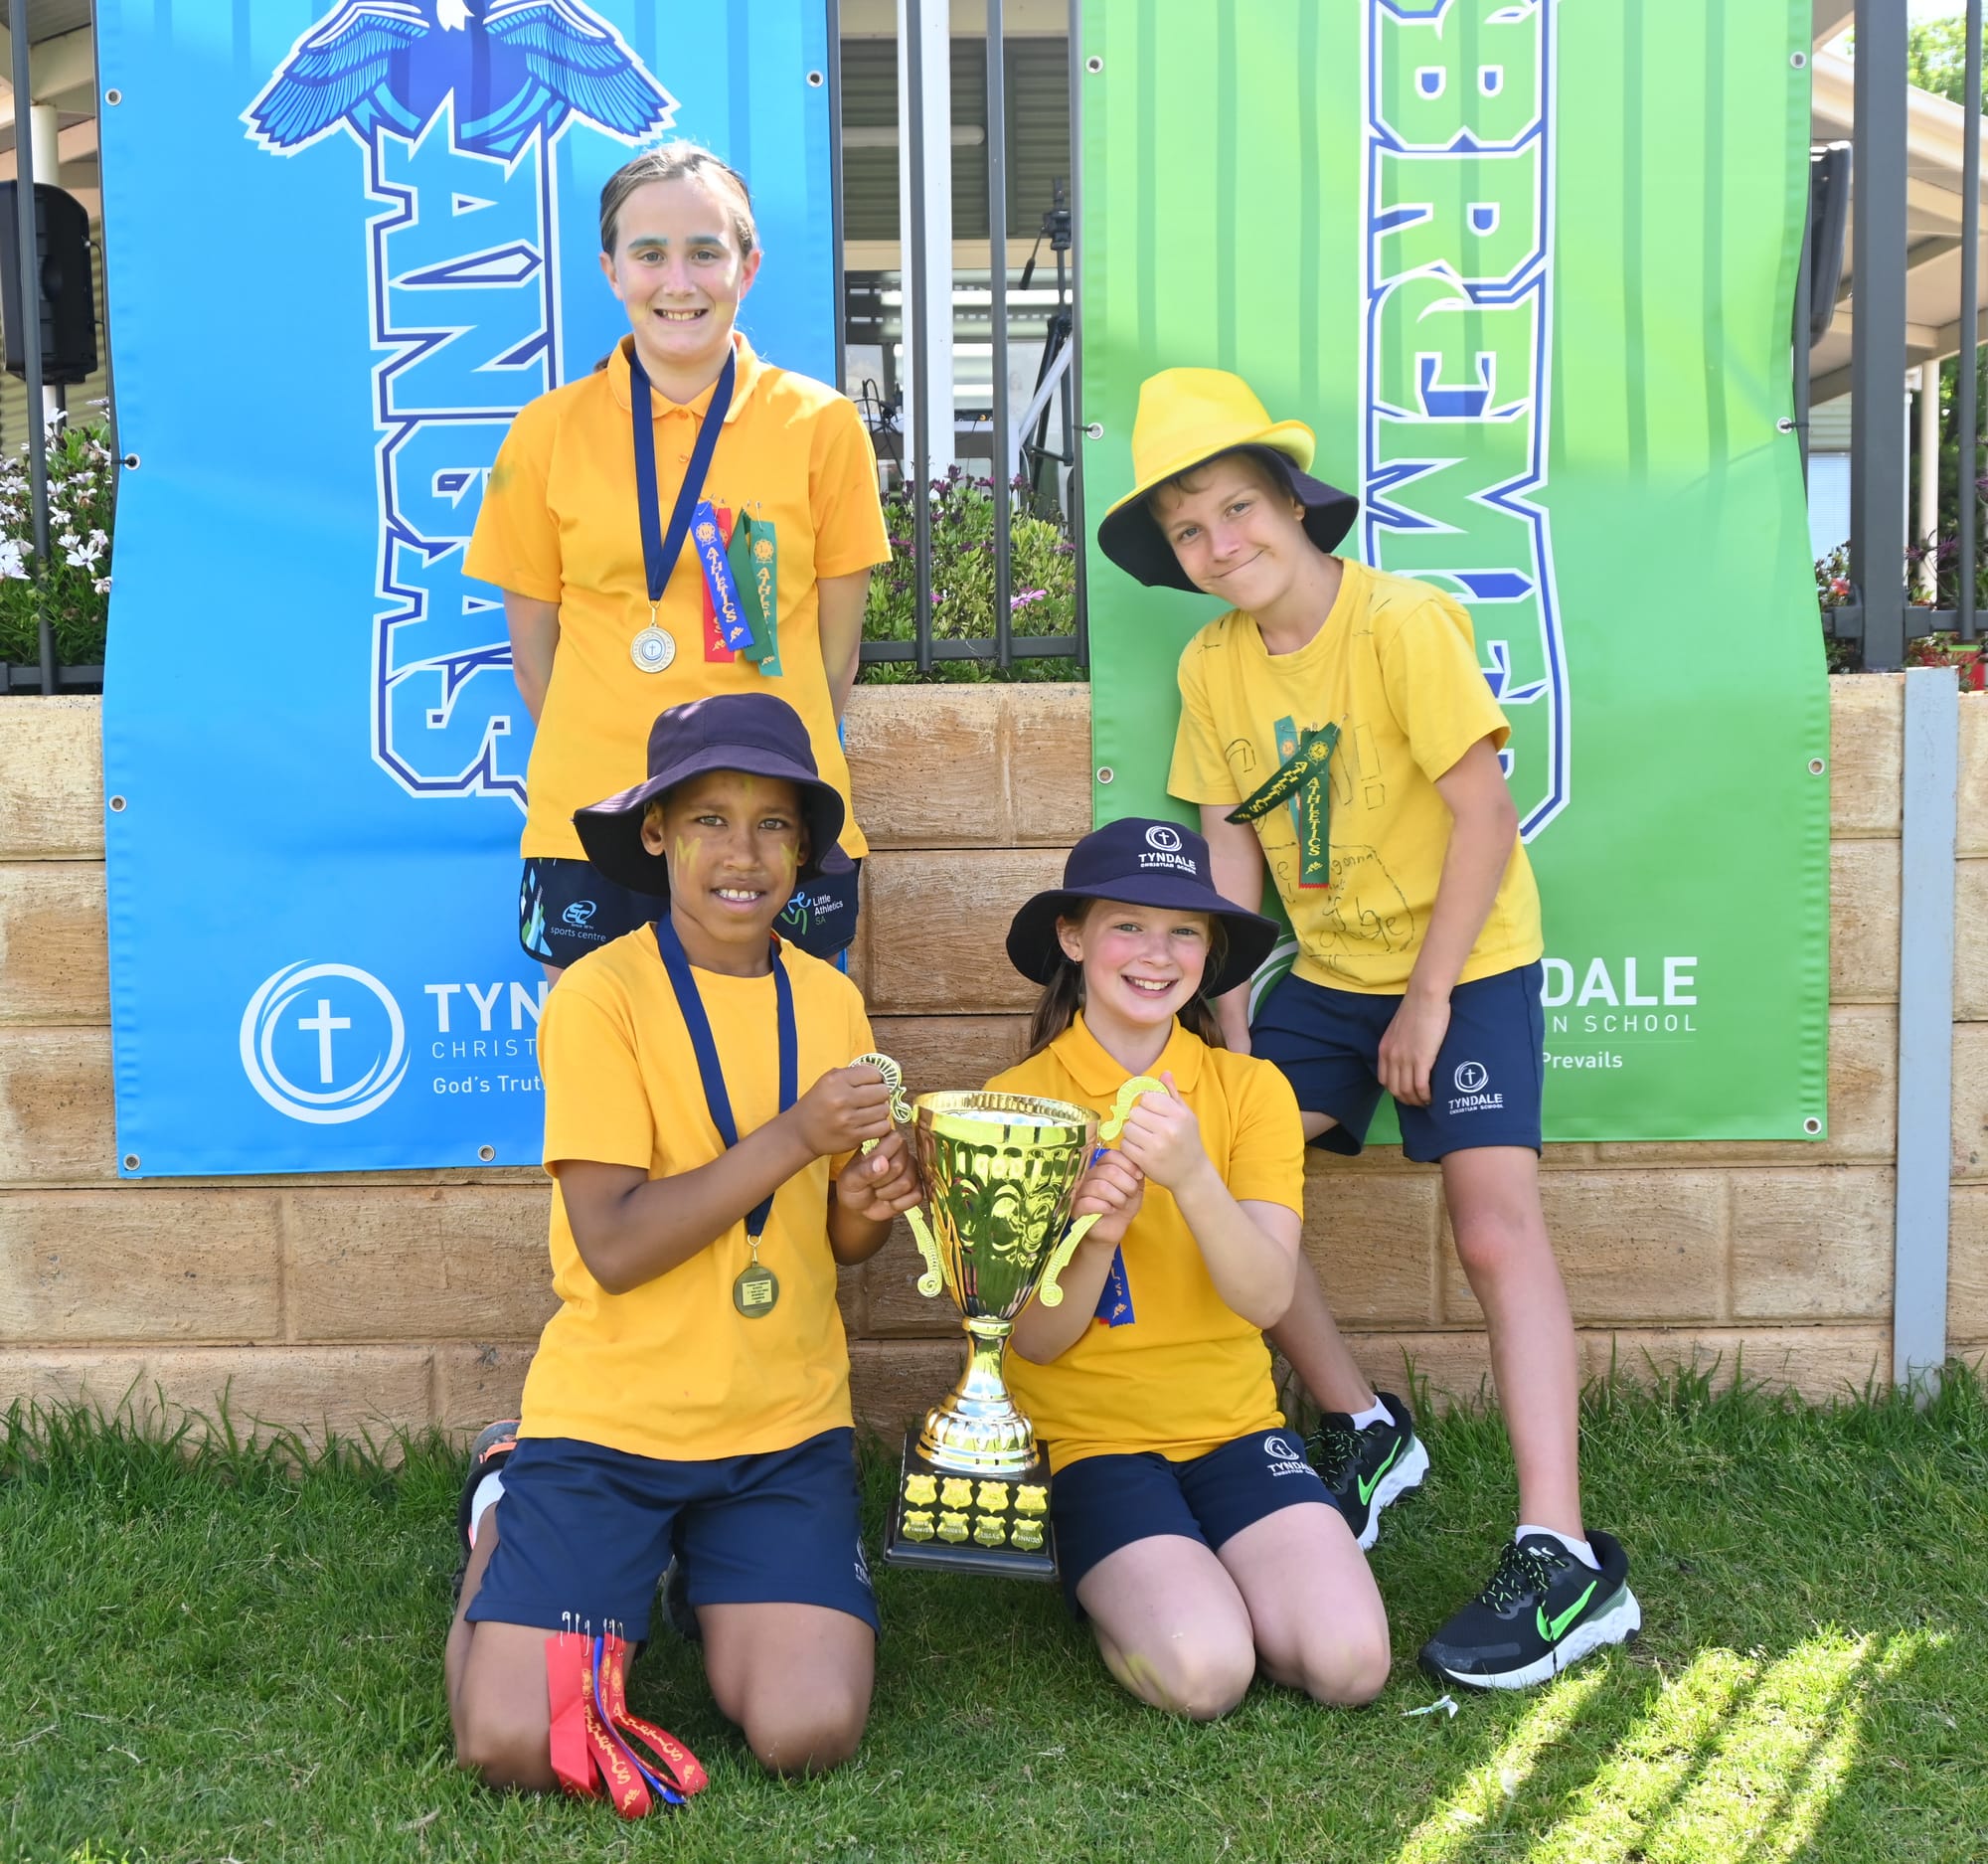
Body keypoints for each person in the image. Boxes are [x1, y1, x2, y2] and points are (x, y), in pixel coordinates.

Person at [1096, 367, 1640, 1691]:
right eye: (1190, 529)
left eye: (1240, 507)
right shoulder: (1209, 661)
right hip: (1327, 970)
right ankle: (1360, 1421)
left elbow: (1483, 815)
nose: (1223, 542)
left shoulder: (1401, 621)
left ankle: (1561, 1549)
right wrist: (1223, 1022)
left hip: (1471, 958)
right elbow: (1227, 846)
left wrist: (1433, 995)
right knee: (1221, 1180)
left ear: (1295, 504)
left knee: (1493, 1222)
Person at [446, 693, 921, 1790]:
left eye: (771, 825)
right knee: (512, 1745)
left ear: (802, 847)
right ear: (656, 833)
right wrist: (799, 1132)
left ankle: (705, 1573)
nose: (741, 854)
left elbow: (841, 1245)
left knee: (807, 1730)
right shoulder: (599, 998)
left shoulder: (829, 1000)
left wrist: (870, 1193)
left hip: (780, 1424)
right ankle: (502, 1506)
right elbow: (610, 1245)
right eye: (708, 820)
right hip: (614, 1425)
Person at [991, 819, 1391, 1719]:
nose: (1154, 953)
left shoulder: (1251, 1091)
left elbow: (1265, 1294)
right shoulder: (1015, 1103)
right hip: (1093, 1444)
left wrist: (1194, 1176)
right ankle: (1116, 1581)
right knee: (1208, 1675)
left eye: (1184, 931)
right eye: (1127, 924)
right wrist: (1094, 1234)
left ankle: (1198, 1573)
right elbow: (1035, 1344)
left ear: (1210, 955)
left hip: (1235, 1430)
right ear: (1074, 937)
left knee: (1351, 1665)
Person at [466, 143, 890, 974]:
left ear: (748, 266)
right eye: (649, 254)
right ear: (612, 269)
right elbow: (535, 661)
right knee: (605, 1086)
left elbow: (833, 659)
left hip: (775, 821)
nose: (679, 281)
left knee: (793, 1077)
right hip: (594, 817)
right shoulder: (546, 433)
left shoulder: (823, 426)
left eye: (706, 251)